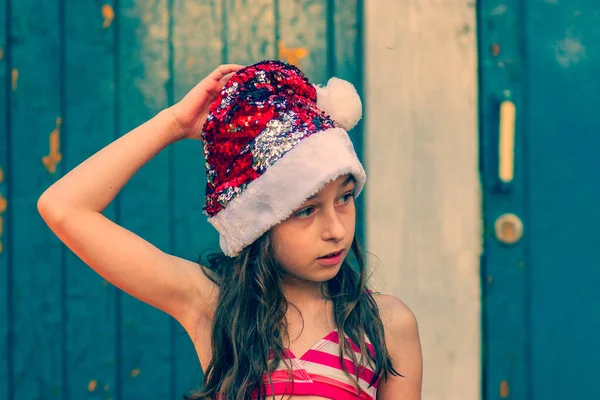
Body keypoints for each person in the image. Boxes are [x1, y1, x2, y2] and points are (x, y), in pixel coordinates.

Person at [38, 60, 422, 400]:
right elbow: (63, 207)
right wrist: (173, 124)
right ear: (259, 223)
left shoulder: (385, 324)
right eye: (306, 210)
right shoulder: (213, 306)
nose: (336, 229)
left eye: (345, 197)